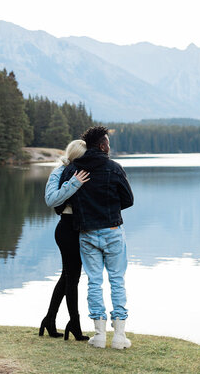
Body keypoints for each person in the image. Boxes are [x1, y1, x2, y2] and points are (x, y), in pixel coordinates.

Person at [59, 126, 134, 350]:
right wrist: (109, 207)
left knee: (94, 281)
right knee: (117, 280)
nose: (109, 147)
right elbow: (128, 200)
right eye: (108, 143)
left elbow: (63, 199)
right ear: (102, 145)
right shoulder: (114, 168)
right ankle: (119, 337)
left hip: (87, 232)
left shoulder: (73, 169)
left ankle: (99, 335)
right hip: (112, 231)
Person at [39, 139, 90, 341]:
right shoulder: (59, 172)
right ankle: (74, 325)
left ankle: (49, 320)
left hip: (79, 229)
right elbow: (51, 199)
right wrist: (74, 183)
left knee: (67, 277)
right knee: (73, 279)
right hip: (66, 229)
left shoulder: (86, 171)